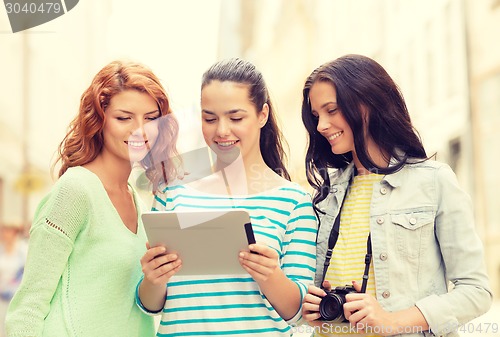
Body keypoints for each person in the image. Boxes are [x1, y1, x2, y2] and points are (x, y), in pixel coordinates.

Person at [300, 54, 492, 337]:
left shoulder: (434, 181)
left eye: (332, 110)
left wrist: (393, 321)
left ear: (367, 104)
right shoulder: (324, 196)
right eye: (317, 116)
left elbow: (476, 291)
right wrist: (314, 309)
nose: (321, 126)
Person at [136, 58, 318, 336]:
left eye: (236, 118)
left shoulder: (294, 202)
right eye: (210, 118)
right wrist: (153, 278)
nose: (221, 131)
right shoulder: (172, 193)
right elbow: (150, 304)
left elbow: (298, 312)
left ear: (262, 115)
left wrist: (271, 276)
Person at [6, 60, 179, 337]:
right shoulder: (75, 190)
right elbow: (28, 306)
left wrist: (156, 279)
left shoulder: (139, 203)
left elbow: (140, 304)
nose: (140, 130)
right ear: (98, 121)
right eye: (124, 118)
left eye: (150, 118)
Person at [0, 221, 28, 337]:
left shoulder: (24, 249)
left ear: (14, 232)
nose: (3, 234)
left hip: (18, 296)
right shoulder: (1, 250)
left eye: (7, 231)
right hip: (2, 296)